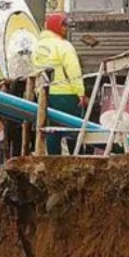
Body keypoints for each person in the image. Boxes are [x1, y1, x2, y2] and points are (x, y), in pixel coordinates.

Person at [34, 12, 86, 154]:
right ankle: (78, 161)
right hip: (66, 95)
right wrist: (80, 93)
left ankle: (53, 161)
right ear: (55, 26)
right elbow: (73, 70)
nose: (65, 28)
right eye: (63, 25)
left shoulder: (38, 47)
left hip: (43, 95)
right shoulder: (64, 46)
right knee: (74, 129)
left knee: (51, 131)